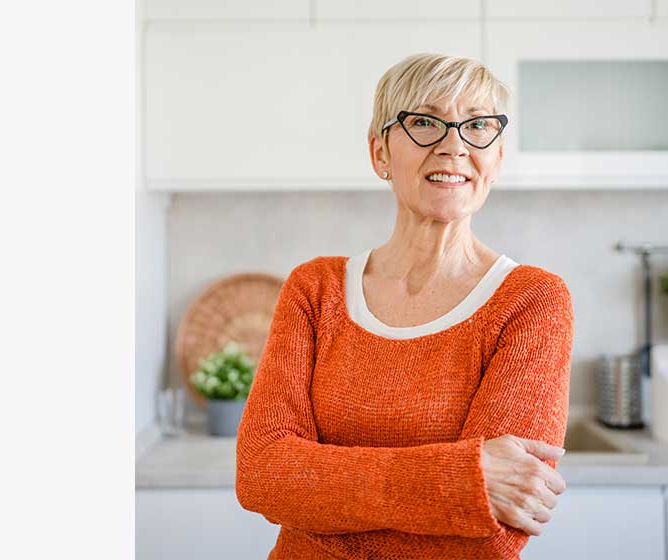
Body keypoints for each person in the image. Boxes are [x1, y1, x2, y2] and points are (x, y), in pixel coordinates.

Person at [235, 52, 574, 560]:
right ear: (380, 154)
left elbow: (497, 529)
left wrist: (322, 494)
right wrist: (462, 479)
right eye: (423, 122)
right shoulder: (315, 289)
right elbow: (262, 472)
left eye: (478, 126)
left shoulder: (531, 301)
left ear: (497, 158)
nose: (454, 146)